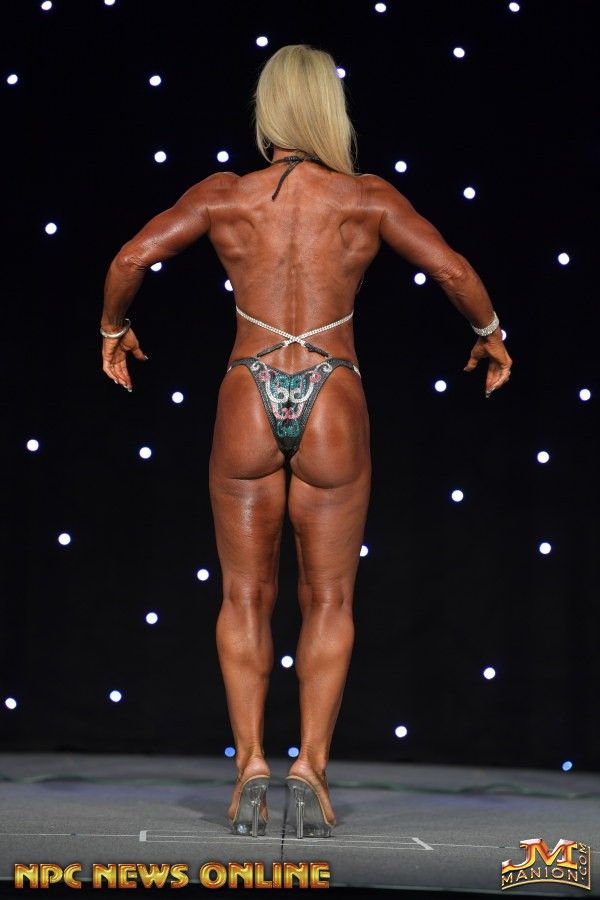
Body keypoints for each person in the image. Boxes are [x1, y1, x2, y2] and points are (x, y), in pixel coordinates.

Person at [100, 44, 512, 839]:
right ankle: (311, 772)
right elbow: (454, 271)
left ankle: (250, 766)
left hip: (247, 391)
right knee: (328, 599)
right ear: (330, 109)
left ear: (268, 111)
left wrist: (113, 328)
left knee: (243, 595)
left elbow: (130, 257)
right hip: (333, 392)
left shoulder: (226, 195)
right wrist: (490, 333)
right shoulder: (365, 198)